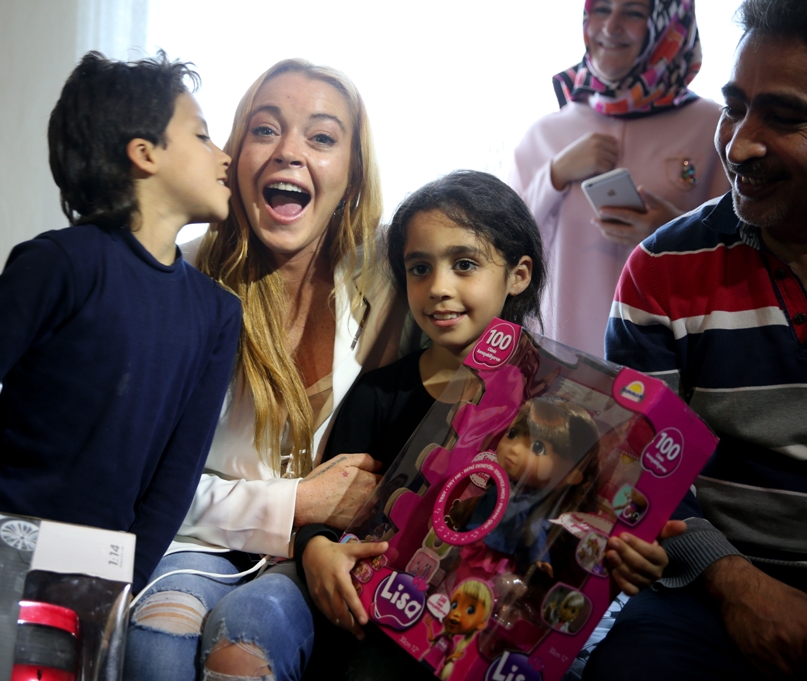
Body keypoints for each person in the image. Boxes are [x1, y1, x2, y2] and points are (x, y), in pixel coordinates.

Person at [0, 51, 242, 639]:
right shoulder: (60, 263)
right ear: (145, 154)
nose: (225, 155)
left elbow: (176, 474)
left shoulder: (217, 314)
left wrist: (121, 584)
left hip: (93, 588)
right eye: (204, 135)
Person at [294, 171, 680, 680]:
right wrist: (316, 550)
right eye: (419, 268)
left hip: (504, 633)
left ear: (518, 275)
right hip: (386, 621)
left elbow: (584, 524)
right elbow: (328, 504)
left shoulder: (555, 403)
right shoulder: (378, 392)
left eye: (465, 264)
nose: (439, 288)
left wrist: (627, 556)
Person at [122, 59, 412, 681]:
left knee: (243, 648)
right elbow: (138, 483)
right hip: (193, 544)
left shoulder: (399, 279)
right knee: (156, 642)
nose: (288, 152)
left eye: (322, 137)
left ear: (355, 171)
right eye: (265, 130)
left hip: (328, 560)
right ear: (234, 153)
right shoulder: (181, 277)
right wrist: (299, 503)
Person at [587, 1, 807, 678]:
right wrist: (736, 583)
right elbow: (640, 463)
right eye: (735, 105)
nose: (739, 144)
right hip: (708, 587)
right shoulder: (663, 270)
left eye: (785, 115)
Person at [509, 0, 729, 356]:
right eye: (601, 9)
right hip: (560, 364)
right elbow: (499, 247)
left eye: (633, 12)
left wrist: (672, 231)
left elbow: (746, 253)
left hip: (671, 359)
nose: (610, 26)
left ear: (670, 27)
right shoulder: (546, 133)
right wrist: (555, 174)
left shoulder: (713, 127)